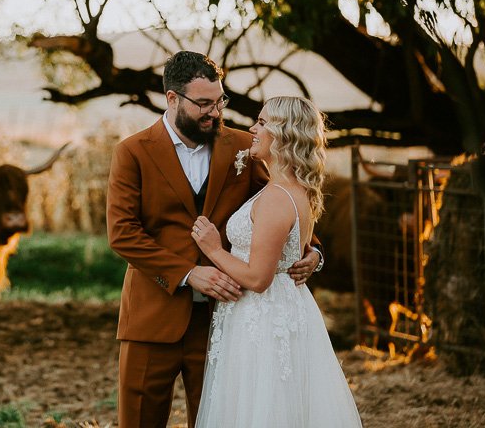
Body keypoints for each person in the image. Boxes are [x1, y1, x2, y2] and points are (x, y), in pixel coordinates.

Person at [107, 52, 324, 428]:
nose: (215, 112)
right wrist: (189, 273)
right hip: (151, 317)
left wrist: (313, 250)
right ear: (172, 99)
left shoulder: (245, 147)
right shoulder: (132, 152)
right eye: (204, 103)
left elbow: (283, 200)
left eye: (219, 100)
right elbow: (123, 233)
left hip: (224, 321)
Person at [191, 96, 362, 427]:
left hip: (263, 316)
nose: (253, 129)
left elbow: (258, 278)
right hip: (281, 310)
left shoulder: (275, 199)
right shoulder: (295, 190)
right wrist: (315, 256)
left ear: (284, 135)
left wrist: (213, 249)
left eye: (262, 122)